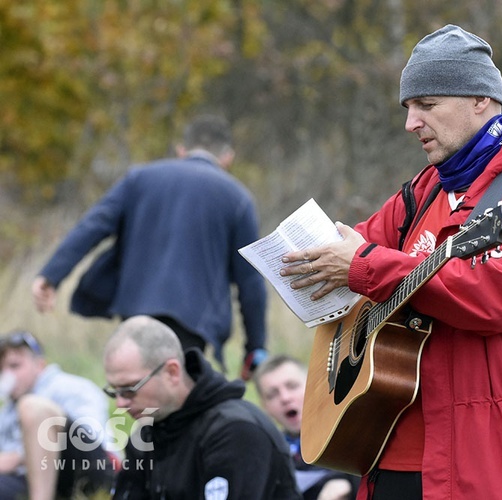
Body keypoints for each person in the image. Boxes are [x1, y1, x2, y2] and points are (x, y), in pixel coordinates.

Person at [279, 24, 502, 499]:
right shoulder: (424, 191)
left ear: (480, 101)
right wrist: (309, 260)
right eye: (408, 108)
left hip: (497, 467)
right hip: (387, 451)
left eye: (427, 106)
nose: (411, 123)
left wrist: (365, 266)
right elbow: (354, 250)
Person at [31, 114, 268, 379]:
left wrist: (51, 276)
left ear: (181, 150)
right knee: (178, 397)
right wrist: (255, 348)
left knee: (138, 393)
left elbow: (93, 226)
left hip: (136, 313)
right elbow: (251, 282)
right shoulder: (237, 198)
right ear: (228, 158)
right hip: (193, 325)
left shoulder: (139, 178)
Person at [102, 315, 301, 499]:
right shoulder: (146, 434)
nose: (121, 403)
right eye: (115, 391)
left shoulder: (235, 431)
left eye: (129, 389)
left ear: (172, 372)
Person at [0, 330, 114, 499]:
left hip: (88, 469)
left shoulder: (70, 387)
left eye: (15, 366)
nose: (7, 375)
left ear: (40, 365)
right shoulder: (7, 410)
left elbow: (90, 439)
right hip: (30, 478)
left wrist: (18, 458)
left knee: (32, 408)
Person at [254, 354, 360, 500]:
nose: (285, 398)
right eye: (272, 394)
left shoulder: (349, 431)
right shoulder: (268, 455)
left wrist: (345, 482)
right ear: (264, 407)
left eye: (292, 386)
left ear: (313, 385)